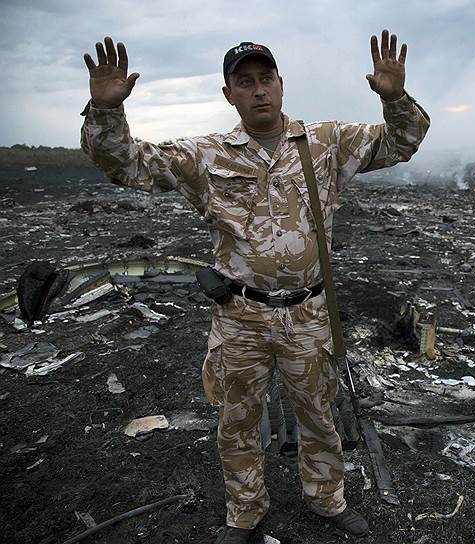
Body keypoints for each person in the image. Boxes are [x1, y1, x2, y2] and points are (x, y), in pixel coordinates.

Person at [80, 30, 430, 543]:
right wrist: (105, 109)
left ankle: (326, 499)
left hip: (309, 314)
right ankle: (245, 511)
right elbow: (125, 164)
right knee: (237, 419)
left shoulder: (327, 143)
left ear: (282, 85)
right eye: (245, 82)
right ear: (229, 95)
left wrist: (394, 97)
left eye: (266, 79)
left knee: (318, 412)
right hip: (240, 317)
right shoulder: (206, 155)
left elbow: (403, 141)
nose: (258, 90)